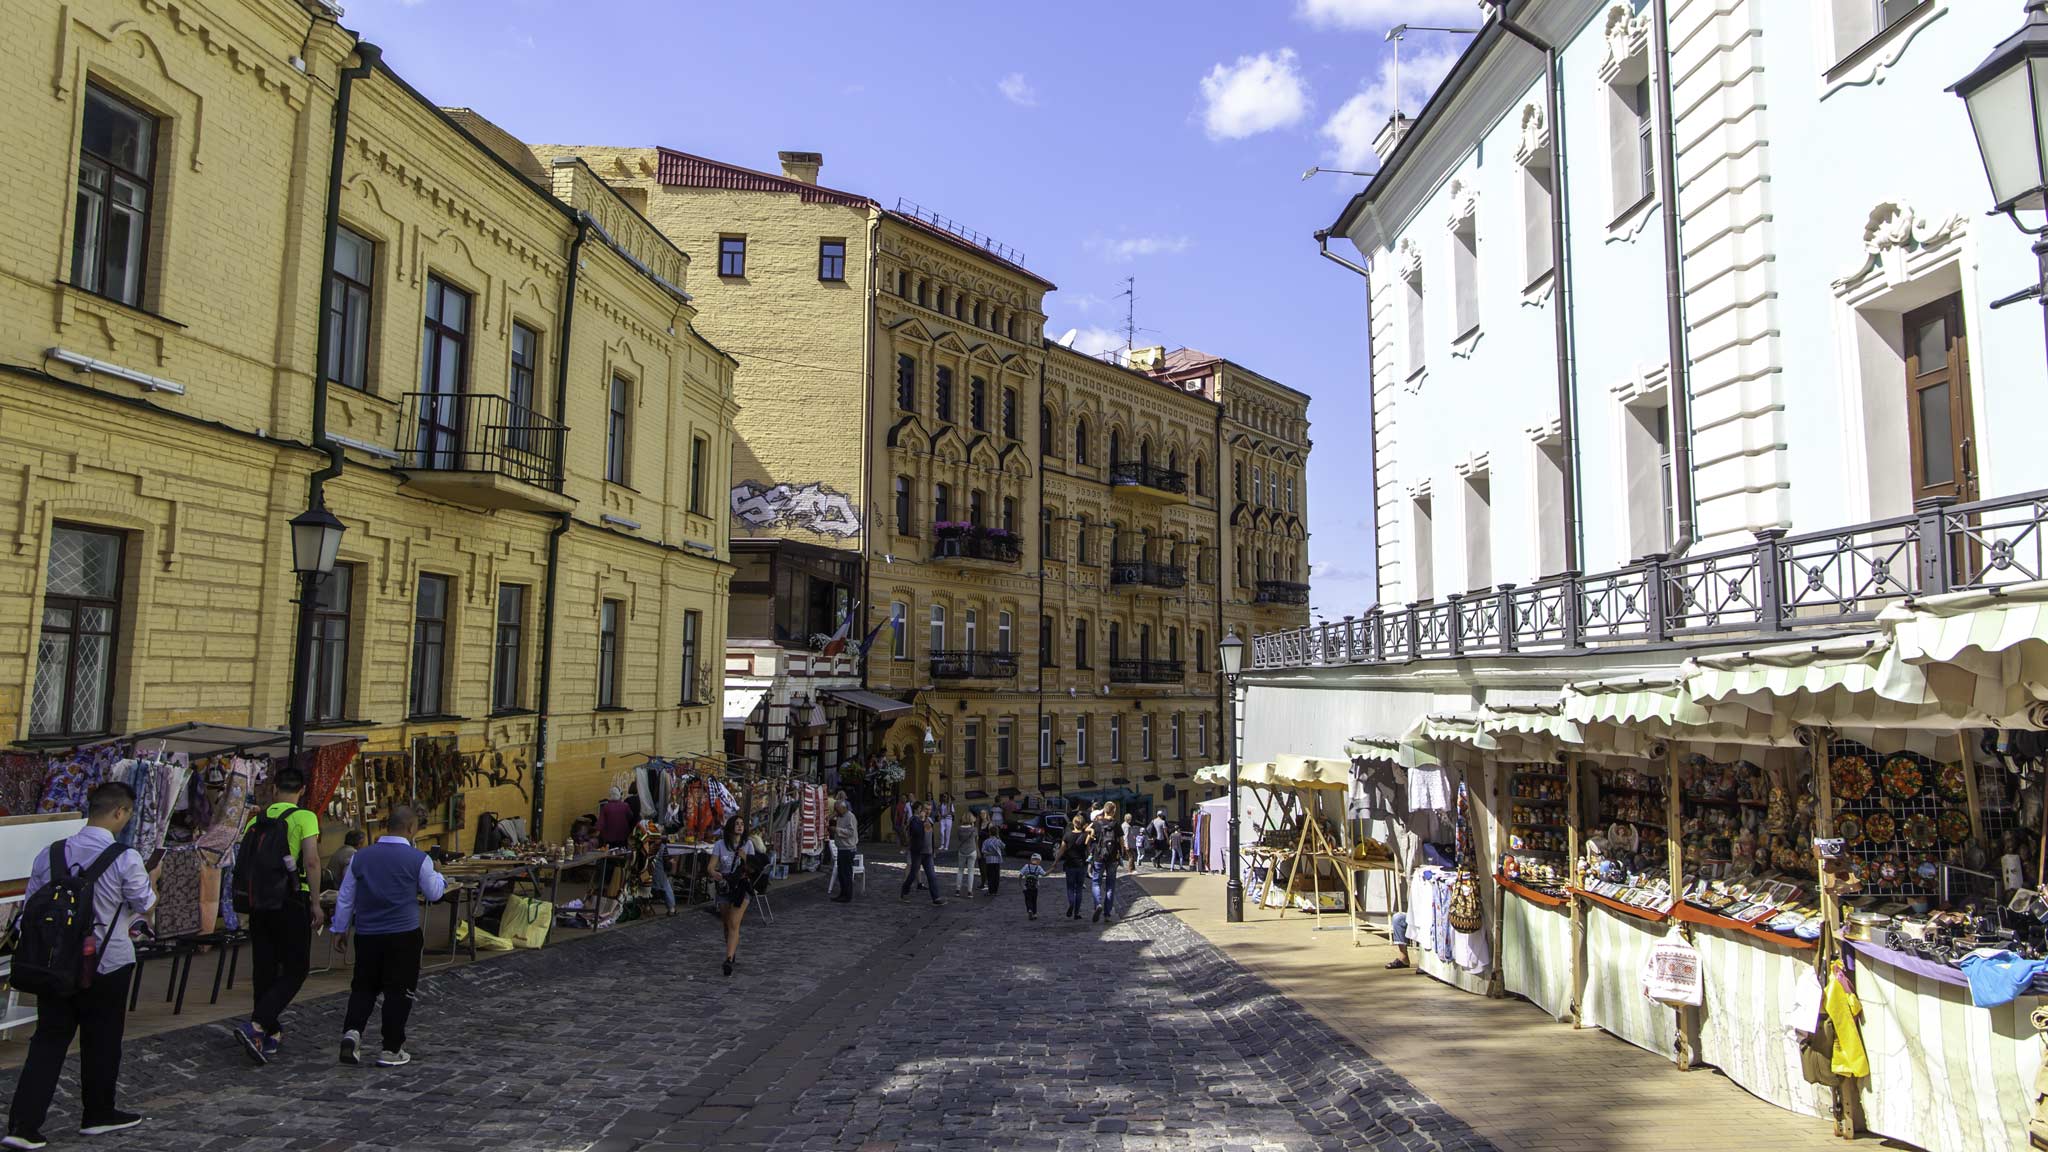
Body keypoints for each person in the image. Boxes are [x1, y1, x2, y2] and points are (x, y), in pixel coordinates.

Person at [3, 782, 155, 1148]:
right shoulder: (125, 856)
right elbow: (144, 902)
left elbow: (31, 906)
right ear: (119, 812)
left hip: (55, 964)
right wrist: (156, 880)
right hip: (107, 961)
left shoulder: (51, 853)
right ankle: (98, 1113)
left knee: (48, 1041)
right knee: (102, 1040)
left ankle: (23, 1126)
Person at [330, 805, 447, 1068]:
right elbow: (434, 893)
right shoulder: (419, 859)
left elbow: (346, 896)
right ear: (410, 828)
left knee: (363, 987)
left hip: (368, 933)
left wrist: (339, 929)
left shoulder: (360, 858)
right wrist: (440, 874)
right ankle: (391, 1048)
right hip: (402, 933)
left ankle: (352, 1032)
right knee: (399, 991)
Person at [234, 764, 322, 1065]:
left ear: (273, 790)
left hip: (259, 903)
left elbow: (244, 860)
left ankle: (268, 1033)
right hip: (290, 900)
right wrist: (316, 902)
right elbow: (310, 861)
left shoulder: (257, 819)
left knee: (265, 967)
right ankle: (258, 1023)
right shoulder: (304, 817)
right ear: (302, 791)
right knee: (297, 968)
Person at [708, 814, 760, 977]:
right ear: (730, 827)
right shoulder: (719, 845)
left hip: (741, 887)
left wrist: (746, 858)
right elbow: (711, 867)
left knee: (733, 923)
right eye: (736, 824)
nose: (740, 826)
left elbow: (753, 869)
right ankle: (732, 949)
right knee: (726, 924)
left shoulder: (748, 845)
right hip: (725, 886)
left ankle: (729, 959)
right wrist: (714, 873)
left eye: (742, 824)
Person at [897, 801, 945, 906]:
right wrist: (922, 820)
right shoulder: (915, 820)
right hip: (918, 852)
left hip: (928, 853)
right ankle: (904, 891)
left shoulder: (930, 820)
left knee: (932, 876)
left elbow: (931, 837)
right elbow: (916, 832)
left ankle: (936, 897)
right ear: (921, 810)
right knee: (913, 874)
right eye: (926, 809)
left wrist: (933, 850)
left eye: (930, 809)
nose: (928, 811)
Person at [1088, 801, 1123, 923]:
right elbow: (1121, 841)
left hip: (1099, 856)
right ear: (1113, 811)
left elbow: (1086, 830)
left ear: (1104, 811)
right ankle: (1107, 914)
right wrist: (1121, 853)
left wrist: (1092, 834)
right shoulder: (1116, 824)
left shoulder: (1097, 823)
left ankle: (1098, 903)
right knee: (1110, 885)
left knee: (1096, 882)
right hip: (1113, 857)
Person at [1053, 817, 1090, 919]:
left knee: (1070, 888)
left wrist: (1055, 862)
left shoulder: (1067, 835)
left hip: (1070, 865)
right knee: (1079, 889)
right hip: (1081, 865)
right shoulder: (1085, 835)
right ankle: (1076, 913)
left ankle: (1071, 903)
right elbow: (1088, 851)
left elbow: (1061, 850)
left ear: (1073, 824)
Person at [829, 799, 858, 903]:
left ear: (844, 808)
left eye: (837, 809)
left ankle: (847, 895)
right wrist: (832, 816)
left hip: (848, 849)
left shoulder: (850, 816)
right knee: (841, 873)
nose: (836, 811)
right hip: (841, 848)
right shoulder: (840, 817)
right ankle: (842, 893)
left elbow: (851, 832)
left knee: (846, 873)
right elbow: (828, 819)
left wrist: (836, 830)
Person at [954, 812, 979, 898]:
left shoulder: (959, 829)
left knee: (960, 870)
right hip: (972, 850)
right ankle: (969, 891)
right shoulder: (974, 829)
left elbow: (959, 838)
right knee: (971, 871)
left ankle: (957, 890)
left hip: (962, 850)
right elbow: (976, 839)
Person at [978, 824, 1006, 898]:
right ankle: (995, 891)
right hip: (997, 861)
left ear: (989, 833)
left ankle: (990, 891)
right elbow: (1003, 846)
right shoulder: (998, 841)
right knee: (996, 876)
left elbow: (983, 850)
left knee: (990, 876)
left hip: (989, 860)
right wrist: (999, 838)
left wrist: (989, 853)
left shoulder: (986, 841)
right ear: (997, 833)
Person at [1019, 854, 1047, 920]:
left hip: (1027, 887)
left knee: (1028, 900)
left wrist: (1021, 885)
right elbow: (1045, 874)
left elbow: (1020, 875)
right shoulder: (1039, 868)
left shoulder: (1026, 866)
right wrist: (1052, 868)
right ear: (1039, 861)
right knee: (1034, 901)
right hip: (1035, 887)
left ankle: (1029, 910)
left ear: (1031, 860)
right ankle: (1035, 914)